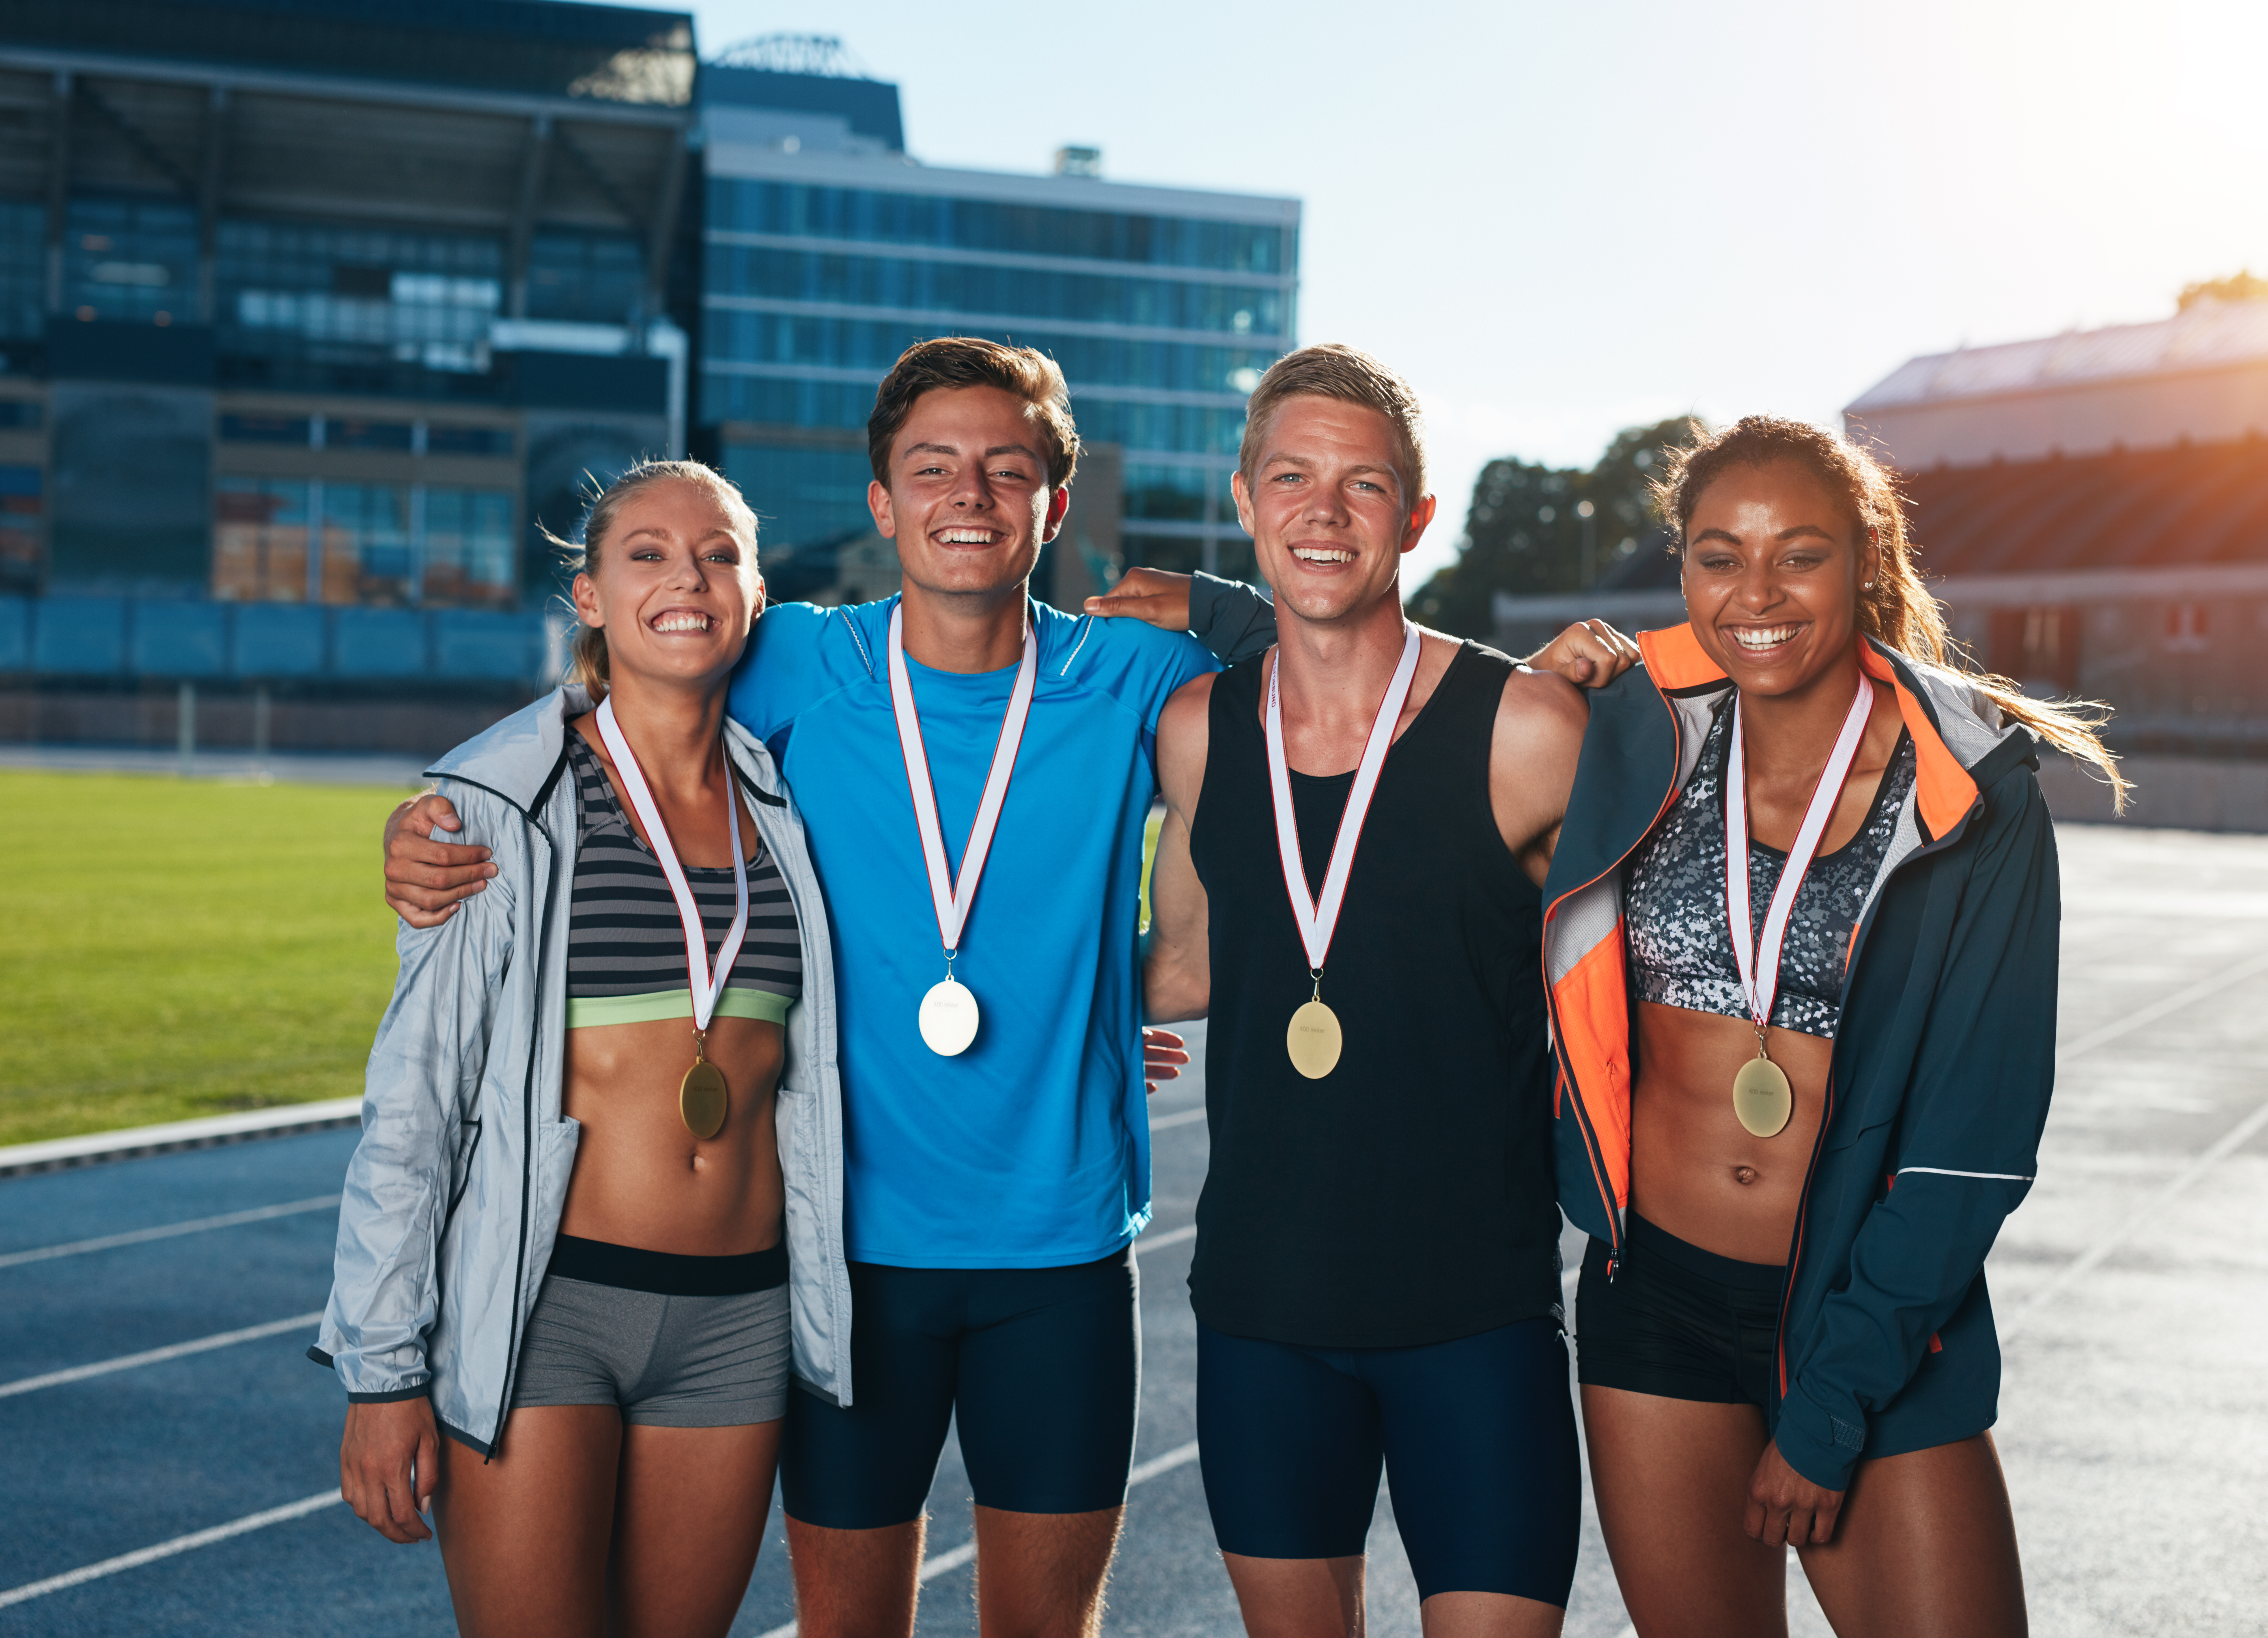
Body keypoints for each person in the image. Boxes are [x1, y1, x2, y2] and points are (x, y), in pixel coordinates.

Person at [379, 340, 1635, 1638]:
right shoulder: (798, 662)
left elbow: (1334, 651)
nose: (969, 494)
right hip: (852, 1257)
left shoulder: (1136, 677)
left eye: (1008, 469)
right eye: (933, 468)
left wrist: (1225, 613)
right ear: (882, 501)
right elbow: (636, 683)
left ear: (1053, 501)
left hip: (1064, 1256)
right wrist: (441, 810)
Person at [1545, 415, 2125, 1637]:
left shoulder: (1972, 791)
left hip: (1870, 1317)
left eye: (1796, 554)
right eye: (1718, 556)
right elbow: (1396, 728)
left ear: (1866, 556)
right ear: (1684, 567)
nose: (1755, 594)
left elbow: (1974, 1141)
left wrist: (1832, 1402)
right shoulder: (1639, 730)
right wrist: (1233, 617)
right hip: (1652, 1303)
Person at [1137, 343, 1637, 1638]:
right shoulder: (1196, 729)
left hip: (1473, 1312)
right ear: (1244, 500)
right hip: (1264, 1307)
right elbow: (1183, 962)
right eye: (1291, 477)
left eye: (1364, 485)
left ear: (1417, 517)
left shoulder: (1526, 727)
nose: (1323, 509)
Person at [318, 460, 849, 1638]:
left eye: (718, 553)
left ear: (756, 596)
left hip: (738, 1318)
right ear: (592, 596)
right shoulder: (493, 805)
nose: (687, 577)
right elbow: (416, 1105)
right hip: (548, 1308)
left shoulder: (787, 805)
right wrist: (381, 1367)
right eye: (648, 554)